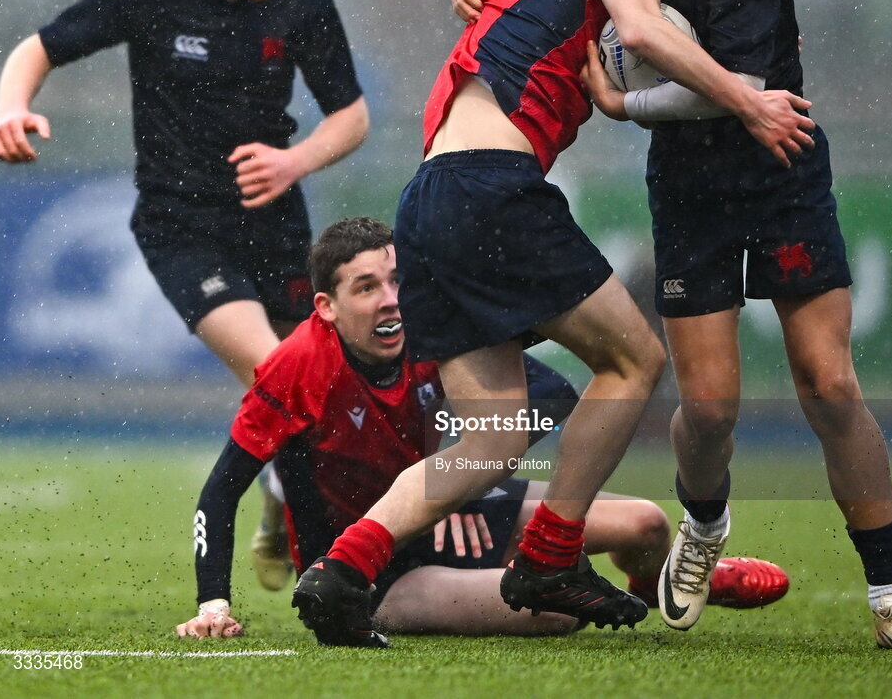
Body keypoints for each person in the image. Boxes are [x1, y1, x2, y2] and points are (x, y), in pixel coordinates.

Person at [445, 0, 892, 654]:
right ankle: (704, 528)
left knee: (828, 383)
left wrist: (623, 101)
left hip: (776, 167)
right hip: (688, 185)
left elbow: (746, 99)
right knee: (710, 406)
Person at [290, 0, 814, 646]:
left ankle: (342, 569)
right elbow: (639, 30)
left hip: (430, 195)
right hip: (491, 189)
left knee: (492, 438)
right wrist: (748, 95)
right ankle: (548, 555)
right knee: (634, 360)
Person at [0, 0, 370, 591]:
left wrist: (294, 162)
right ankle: (333, 564)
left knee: (318, 393)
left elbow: (351, 117)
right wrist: (11, 108)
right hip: (180, 227)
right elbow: (39, 47)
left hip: (277, 224)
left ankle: (284, 500)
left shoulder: (305, 5)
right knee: (278, 376)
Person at [175, 216, 789, 641]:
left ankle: (671, 582)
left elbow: (551, 394)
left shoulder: (429, 327)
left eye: (396, 281)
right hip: (379, 571)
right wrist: (213, 606)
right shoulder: (297, 368)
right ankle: (553, 578)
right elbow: (220, 490)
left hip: (451, 513)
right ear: (326, 308)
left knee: (649, 523)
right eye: (366, 288)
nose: (391, 300)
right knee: (556, 612)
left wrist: (461, 475)